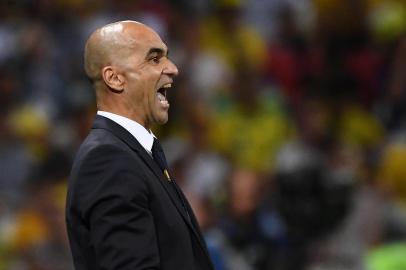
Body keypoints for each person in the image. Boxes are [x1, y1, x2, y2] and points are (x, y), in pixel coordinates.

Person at [65, 20, 214, 270]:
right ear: (114, 78)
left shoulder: (135, 153)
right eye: (154, 59)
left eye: (167, 57)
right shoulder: (108, 160)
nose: (173, 69)